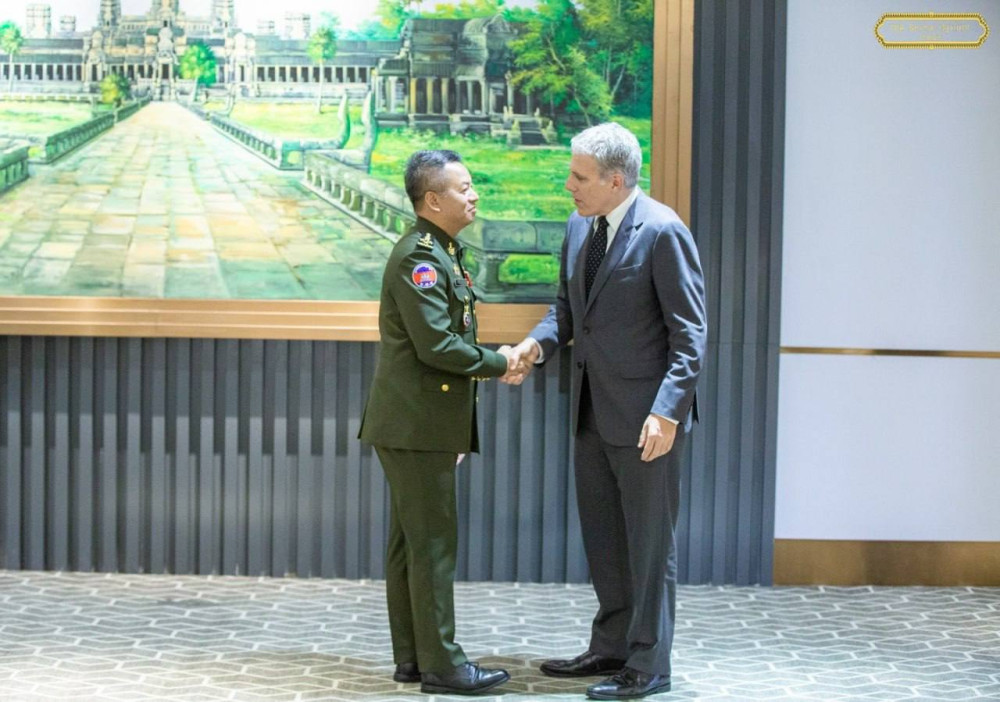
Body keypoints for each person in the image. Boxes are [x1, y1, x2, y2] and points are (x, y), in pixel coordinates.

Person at [505, 122, 707, 700]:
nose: (568, 185)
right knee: (605, 541)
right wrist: (535, 346)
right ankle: (611, 647)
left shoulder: (663, 231)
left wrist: (667, 413)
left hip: (647, 423)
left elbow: (690, 336)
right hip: (591, 413)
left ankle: (649, 663)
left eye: (579, 176)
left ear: (616, 181)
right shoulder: (579, 226)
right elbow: (566, 312)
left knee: (649, 547)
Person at [359, 150, 514, 696]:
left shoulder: (441, 251)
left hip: (419, 423)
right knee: (432, 548)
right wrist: (502, 363)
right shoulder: (419, 259)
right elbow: (438, 346)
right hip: (417, 425)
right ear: (432, 199)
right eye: (463, 188)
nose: (474, 196)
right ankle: (444, 666)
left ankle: (415, 658)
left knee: (412, 544)